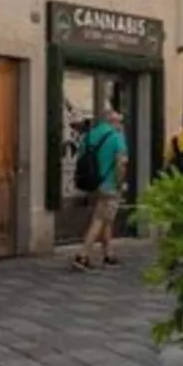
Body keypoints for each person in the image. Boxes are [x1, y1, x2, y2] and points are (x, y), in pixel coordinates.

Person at [74, 109, 128, 272]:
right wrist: (120, 184)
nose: (121, 124)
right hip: (110, 185)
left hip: (93, 183)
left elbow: (81, 157)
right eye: (119, 121)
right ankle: (82, 255)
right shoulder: (117, 137)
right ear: (112, 121)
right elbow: (121, 164)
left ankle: (108, 254)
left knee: (106, 218)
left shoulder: (89, 135)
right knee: (99, 219)